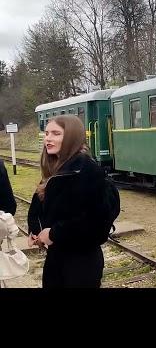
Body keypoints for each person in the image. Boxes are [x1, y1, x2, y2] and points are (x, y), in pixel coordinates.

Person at [27, 115, 107, 288]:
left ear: (71, 137)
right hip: (57, 258)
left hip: (81, 263)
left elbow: (96, 222)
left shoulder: (87, 170)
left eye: (56, 133)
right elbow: (39, 209)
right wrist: (36, 231)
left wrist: (54, 234)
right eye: (46, 133)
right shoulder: (55, 169)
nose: (48, 138)